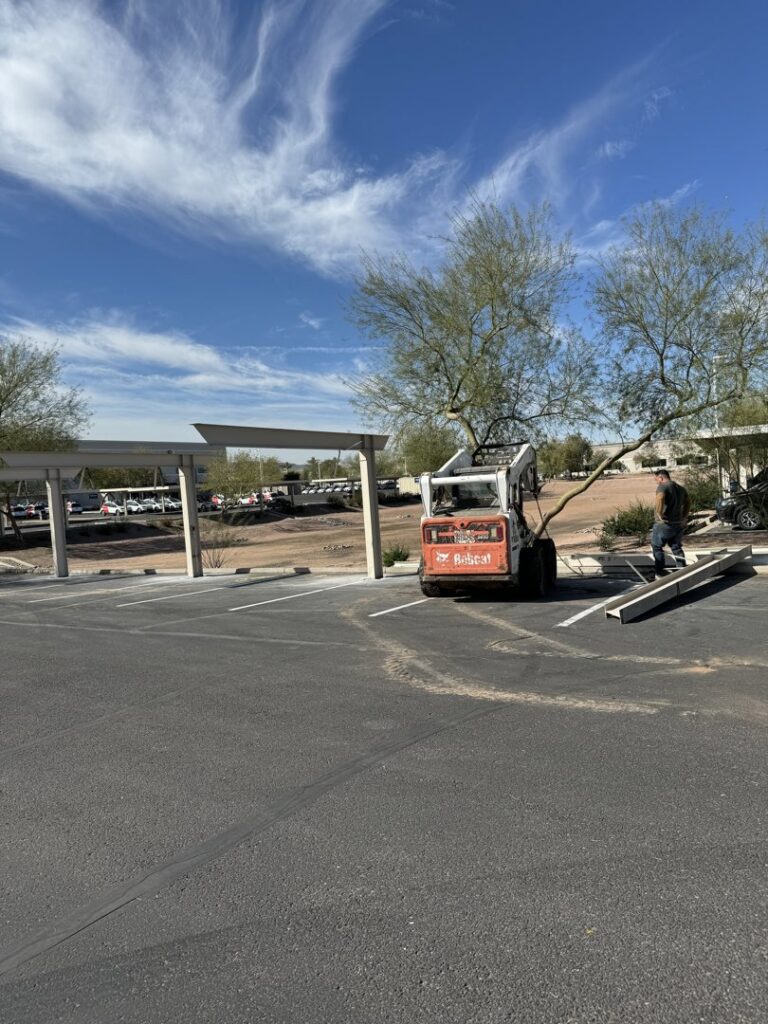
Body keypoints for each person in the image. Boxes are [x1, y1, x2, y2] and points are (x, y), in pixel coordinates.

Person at [651, 468, 690, 578]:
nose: (657, 482)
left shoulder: (663, 486)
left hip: (665, 524)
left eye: (657, 479)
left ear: (661, 477)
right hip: (678, 524)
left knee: (657, 546)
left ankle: (660, 573)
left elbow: (660, 497)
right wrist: (684, 517)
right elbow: (688, 501)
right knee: (676, 547)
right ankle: (682, 570)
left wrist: (659, 514)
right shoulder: (680, 488)